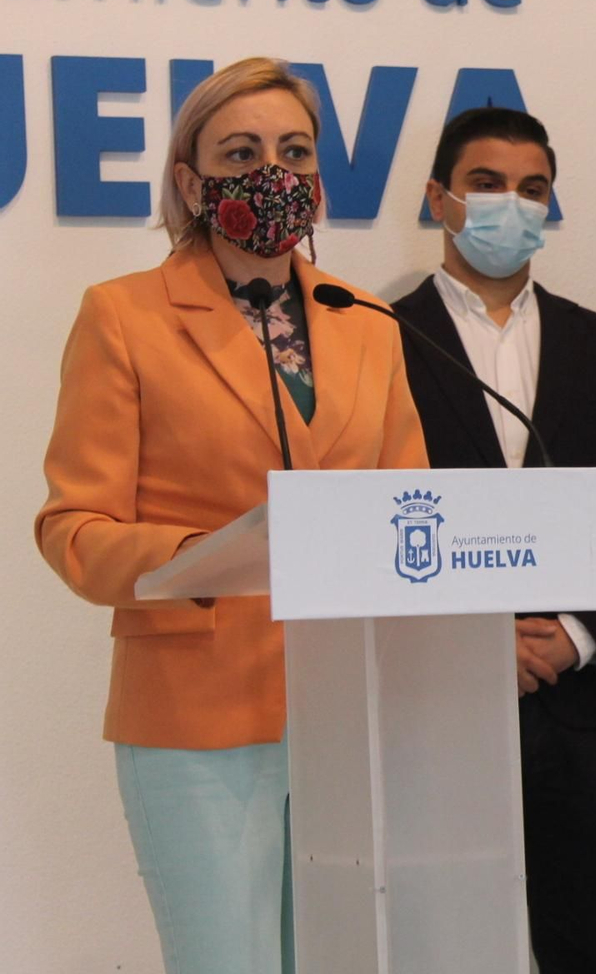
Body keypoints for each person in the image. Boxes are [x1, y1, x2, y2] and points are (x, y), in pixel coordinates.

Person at [34, 57, 429, 974]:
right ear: (190, 180)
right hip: (194, 721)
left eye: (294, 151)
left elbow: (412, 505)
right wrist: (202, 557)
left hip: (345, 711)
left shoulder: (367, 319)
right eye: (241, 151)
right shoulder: (123, 317)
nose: (274, 172)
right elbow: (74, 527)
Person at [391, 107, 596, 974]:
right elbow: (365, 520)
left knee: (581, 946)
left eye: (531, 188)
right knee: (442, 946)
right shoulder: (373, 339)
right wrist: (475, 640)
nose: (508, 204)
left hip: (590, 706)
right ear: (438, 198)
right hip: (436, 707)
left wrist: (576, 634)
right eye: (485, 184)